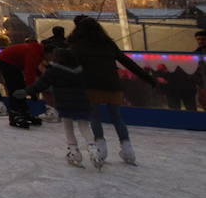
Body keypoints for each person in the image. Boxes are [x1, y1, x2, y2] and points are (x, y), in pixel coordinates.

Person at [67, 17, 157, 166]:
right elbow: (126, 61)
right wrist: (147, 78)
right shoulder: (107, 43)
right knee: (116, 117)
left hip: (91, 85)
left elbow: (72, 67)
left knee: (95, 117)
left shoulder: (77, 45)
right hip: (112, 85)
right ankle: (128, 150)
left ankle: (101, 148)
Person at [15, 48, 99, 169]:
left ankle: (74, 152)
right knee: (84, 125)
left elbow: (41, 84)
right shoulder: (80, 70)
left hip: (65, 103)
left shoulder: (54, 70)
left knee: (68, 126)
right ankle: (93, 149)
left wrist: (25, 91)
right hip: (82, 102)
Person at [0, 35, 45, 129]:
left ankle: (23, 112)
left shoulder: (38, 51)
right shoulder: (34, 52)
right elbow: (29, 72)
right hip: (6, 61)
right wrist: (32, 91)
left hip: (11, 62)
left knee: (20, 86)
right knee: (15, 87)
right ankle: (15, 114)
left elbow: (35, 70)